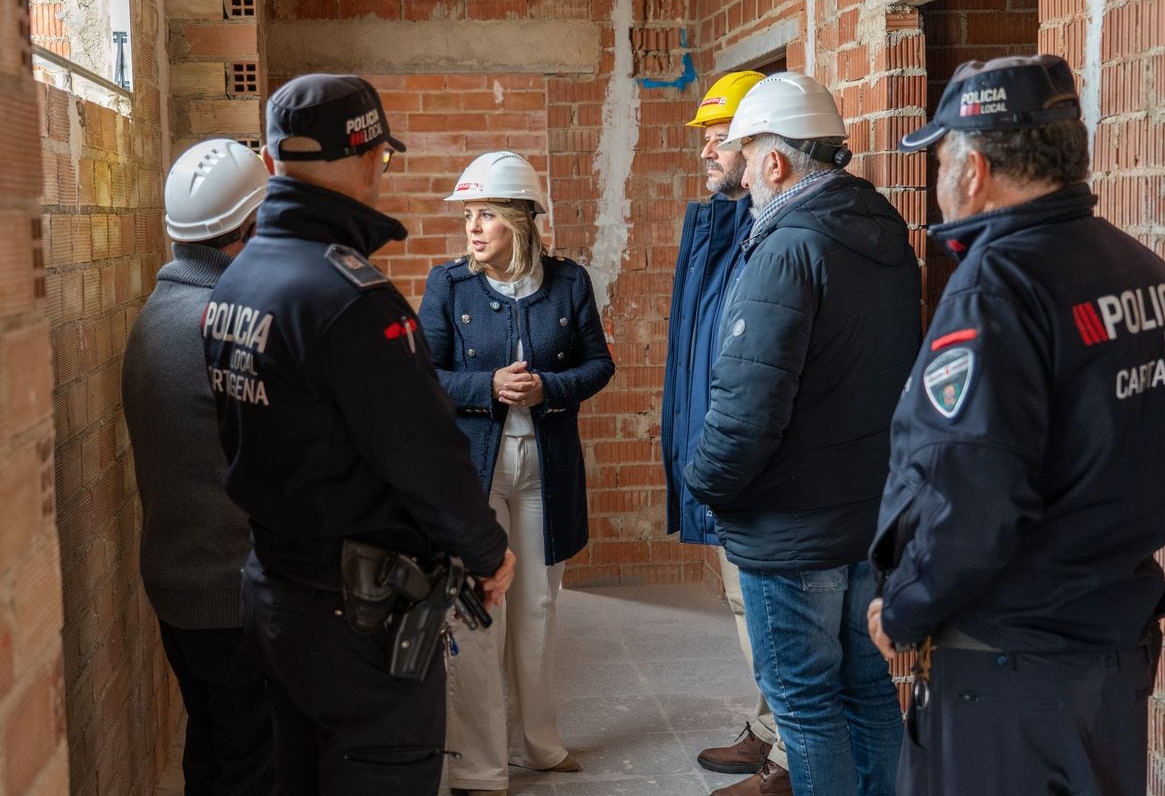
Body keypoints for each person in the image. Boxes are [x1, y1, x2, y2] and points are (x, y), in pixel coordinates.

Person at [867, 54, 1165, 796]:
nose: (938, 183)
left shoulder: (996, 289)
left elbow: (971, 497)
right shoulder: (1148, 275)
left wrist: (908, 611)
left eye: (941, 159)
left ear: (975, 168)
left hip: (1009, 672)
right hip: (1110, 656)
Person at [201, 73, 516, 796]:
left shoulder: (237, 282)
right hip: (357, 615)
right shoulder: (347, 299)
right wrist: (486, 550)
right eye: (380, 154)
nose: (382, 168)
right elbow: (424, 451)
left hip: (276, 591)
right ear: (366, 155)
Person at [684, 71, 919, 796]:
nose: (744, 173)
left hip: (790, 526)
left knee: (807, 705)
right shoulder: (881, 234)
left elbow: (748, 407)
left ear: (776, 162)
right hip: (862, 512)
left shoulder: (786, 248)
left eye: (747, 155)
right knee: (865, 686)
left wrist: (705, 483)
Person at [419, 151, 614, 796]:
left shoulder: (568, 283)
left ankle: (541, 743)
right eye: (469, 216)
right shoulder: (450, 285)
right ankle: (479, 765)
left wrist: (547, 388)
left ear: (522, 222)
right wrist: (487, 386)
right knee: (479, 610)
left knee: (537, 607)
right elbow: (425, 377)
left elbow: (599, 365)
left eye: (487, 215)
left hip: (546, 467)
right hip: (475, 471)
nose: (473, 228)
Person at [123, 138, 273, 795]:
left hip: (181, 586)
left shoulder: (158, 313)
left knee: (212, 753)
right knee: (253, 770)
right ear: (250, 229)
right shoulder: (220, 325)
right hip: (229, 595)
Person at [660, 69, 795, 794]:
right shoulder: (721, 226)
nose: (708, 153)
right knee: (745, 602)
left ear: (758, 145)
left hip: (750, 462)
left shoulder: (768, 235)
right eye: (706, 140)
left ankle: (783, 748)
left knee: (766, 604)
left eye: (720, 140)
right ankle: (769, 723)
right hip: (719, 452)